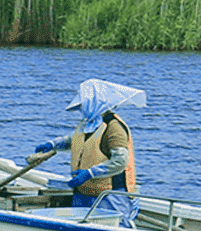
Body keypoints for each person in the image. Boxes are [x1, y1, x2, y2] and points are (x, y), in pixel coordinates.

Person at [30, 79, 143, 212]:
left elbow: (120, 161)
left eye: (83, 105)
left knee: (111, 225)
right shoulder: (89, 124)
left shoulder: (114, 128)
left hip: (109, 195)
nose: (82, 109)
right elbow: (77, 141)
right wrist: (53, 144)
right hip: (83, 192)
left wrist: (90, 173)